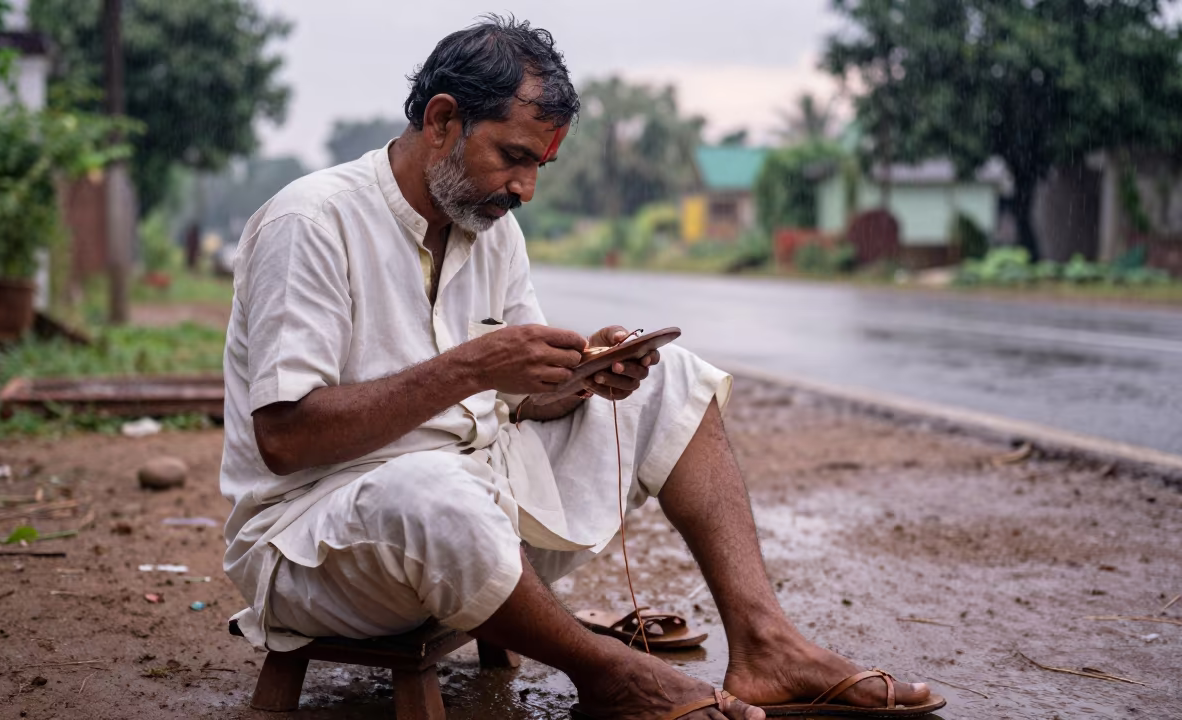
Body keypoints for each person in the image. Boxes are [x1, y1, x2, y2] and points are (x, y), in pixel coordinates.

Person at [220, 15, 944, 719]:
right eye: (513, 157)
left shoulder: (488, 226)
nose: (525, 189)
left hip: (479, 507)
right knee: (432, 490)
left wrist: (577, 381)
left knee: (674, 379)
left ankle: (767, 645)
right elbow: (286, 441)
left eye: (539, 165)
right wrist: (470, 367)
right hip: (321, 543)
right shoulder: (310, 222)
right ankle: (609, 673)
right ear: (442, 121)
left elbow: (516, 400)